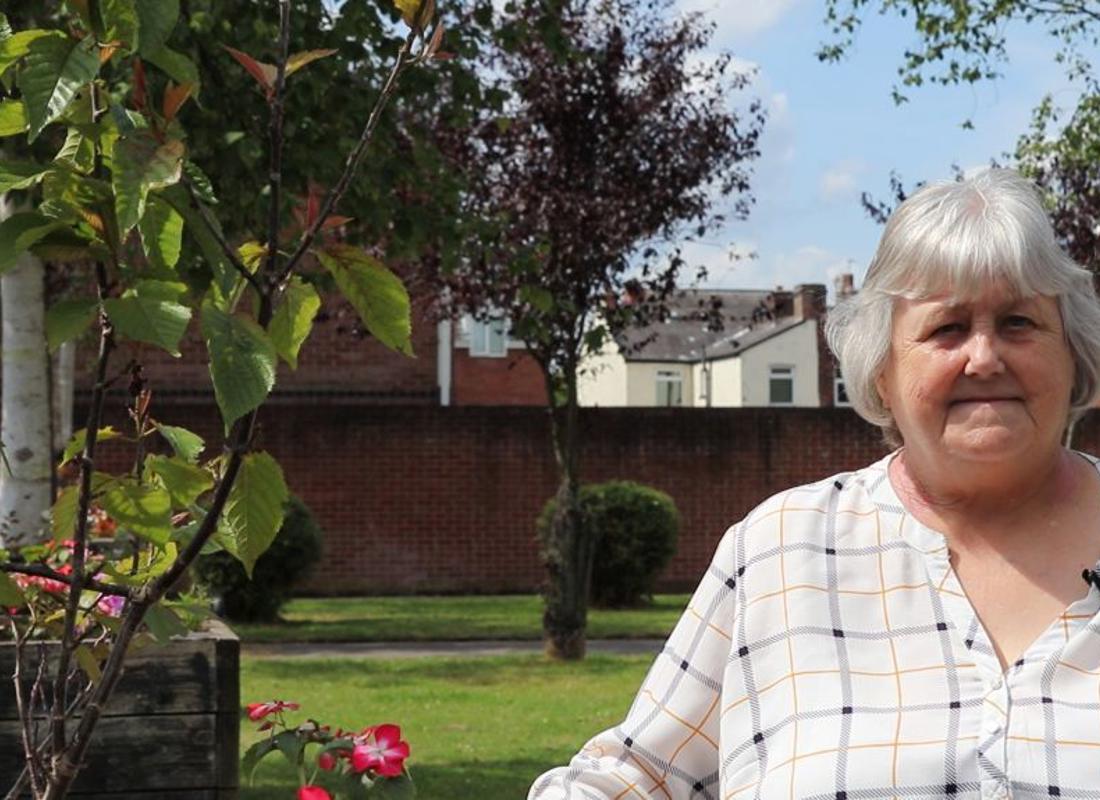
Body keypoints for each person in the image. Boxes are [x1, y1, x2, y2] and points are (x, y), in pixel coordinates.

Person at [528, 168, 1100, 800]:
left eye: (1019, 322)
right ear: (881, 370)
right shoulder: (782, 549)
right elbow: (638, 778)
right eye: (947, 328)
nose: (985, 357)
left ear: (1073, 353)